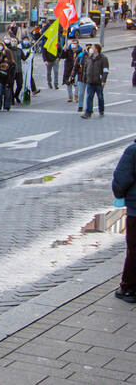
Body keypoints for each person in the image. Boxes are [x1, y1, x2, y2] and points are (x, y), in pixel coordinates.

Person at [111, 139, 136, 303]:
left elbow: (122, 178)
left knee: (134, 250)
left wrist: (119, 195)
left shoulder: (133, 151)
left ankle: (129, 288)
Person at [81, 43, 110, 119]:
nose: (91, 49)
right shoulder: (89, 58)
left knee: (100, 97)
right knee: (89, 97)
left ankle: (101, 110)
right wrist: (85, 78)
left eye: (92, 47)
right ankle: (88, 112)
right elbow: (85, 68)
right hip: (90, 81)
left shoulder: (103, 58)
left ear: (96, 49)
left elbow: (105, 70)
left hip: (98, 82)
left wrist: (103, 80)